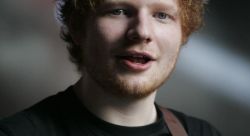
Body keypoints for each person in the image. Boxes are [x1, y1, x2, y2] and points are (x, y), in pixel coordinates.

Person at [0, 0, 221, 135]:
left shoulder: (202, 133)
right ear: (78, 27)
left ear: (183, 33)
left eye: (161, 15)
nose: (142, 31)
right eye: (118, 11)